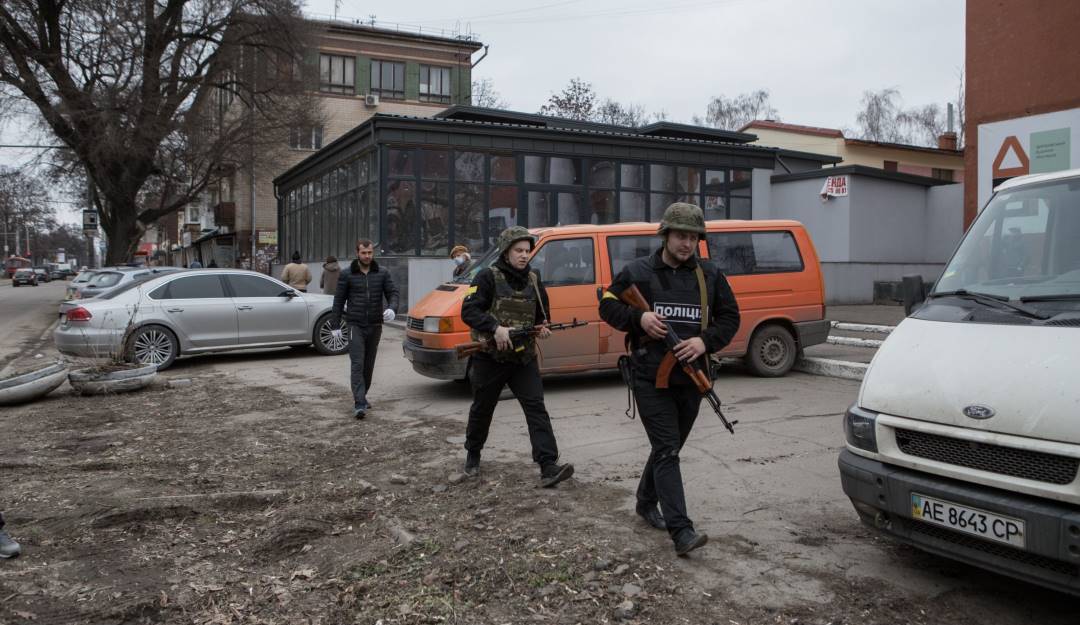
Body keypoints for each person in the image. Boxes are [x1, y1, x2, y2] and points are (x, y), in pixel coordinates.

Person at [599, 203, 740, 556]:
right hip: (649, 377)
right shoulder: (639, 271)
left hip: (692, 380)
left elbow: (730, 317)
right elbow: (606, 304)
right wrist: (638, 318)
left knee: (669, 446)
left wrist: (703, 341)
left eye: (693, 237)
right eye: (681, 235)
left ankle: (646, 500)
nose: (687, 243)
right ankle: (682, 531)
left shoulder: (709, 276)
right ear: (665, 235)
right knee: (667, 449)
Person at [460, 226, 574, 488]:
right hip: (491, 358)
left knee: (536, 408)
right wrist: (495, 328)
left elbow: (542, 316)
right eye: (518, 250)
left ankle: (548, 466)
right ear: (506, 251)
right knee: (483, 408)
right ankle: (473, 454)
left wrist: (544, 327)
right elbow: (468, 311)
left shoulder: (533, 278)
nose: (524, 255)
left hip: (523, 357)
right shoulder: (486, 277)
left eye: (527, 251)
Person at [331, 240, 399, 419]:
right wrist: (335, 325)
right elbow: (338, 300)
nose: (367, 256)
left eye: (370, 253)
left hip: (375, 325)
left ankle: (362, 395)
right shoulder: (347, 274)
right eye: (364, 253)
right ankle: (359, 403)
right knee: (357, 363)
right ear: (357, 253)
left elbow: (393, 293)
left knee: (368, 366)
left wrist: (393, 308)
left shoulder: (382, 273)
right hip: (355, 325)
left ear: (373, 253)